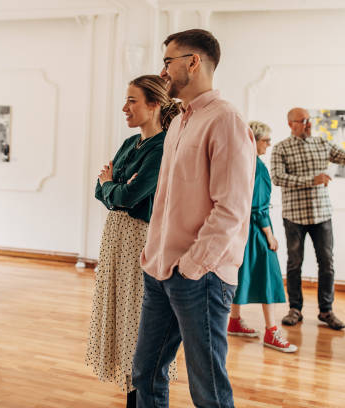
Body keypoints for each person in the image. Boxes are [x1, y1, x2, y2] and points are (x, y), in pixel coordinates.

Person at [132, 29, 256, 408]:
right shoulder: (180, 123)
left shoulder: (226, 120)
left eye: (168, 61)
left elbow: (231, 209)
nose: (163, 70)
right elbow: (167, 201)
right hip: (160, 271)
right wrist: (155, 257)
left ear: (194, 62)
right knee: (145, 374)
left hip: (199, 278)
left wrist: (192, 267)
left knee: (208, 389)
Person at [86, 75, 182, 408]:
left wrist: (113, 185)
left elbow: (127, 194)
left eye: (132, 100)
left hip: (140, 241)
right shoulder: (130, 144)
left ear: (154, 104)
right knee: (123, 321)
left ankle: (142, 398)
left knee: (139, 327)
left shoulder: (164, 146)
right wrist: (115, 187)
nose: (124, 108)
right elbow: (103, 190)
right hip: (116, 240)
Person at [271, 107, 345, 330]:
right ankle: (295, 309)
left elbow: (344, 154)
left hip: (322, 215)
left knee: (327, 263)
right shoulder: (280, 148)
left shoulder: (322, 143)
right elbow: (278, 177)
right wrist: (312, 180)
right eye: (303, 121)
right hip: (294, 216)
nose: (309, 124)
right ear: (291, 124)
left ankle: (326, 311)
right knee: (294, 264)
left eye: (309, 120)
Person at [227, 121, 297, 353]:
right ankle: (271, 331)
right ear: (254, 140)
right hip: (257, 232)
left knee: (242, 274)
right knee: (270, 280)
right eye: (266, 140)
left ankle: (234, 320)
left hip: (241, 230)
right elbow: (258, 207)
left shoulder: (240, 163)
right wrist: (269, 235)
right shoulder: (258, 167)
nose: (269, 143)